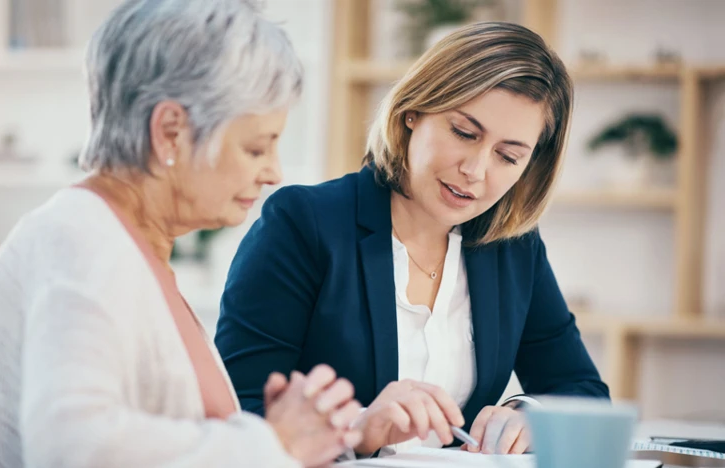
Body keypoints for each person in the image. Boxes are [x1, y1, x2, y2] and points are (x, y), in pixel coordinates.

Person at [0, 1, 362, 467]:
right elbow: (73, 448)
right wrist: (272, 446)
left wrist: (316, 435)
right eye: (255, 147)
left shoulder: (126, 247)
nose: (274, 173)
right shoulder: (81, 241)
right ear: (169, 132)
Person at [215, 21, 610, 458]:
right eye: (464, 132)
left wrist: (526, 413)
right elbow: (235, 413)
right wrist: (360, 430)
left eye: (508, 156)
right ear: (413, 113)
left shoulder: (513, 249)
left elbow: (584, 394)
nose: (476, 171)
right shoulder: (302, 223)